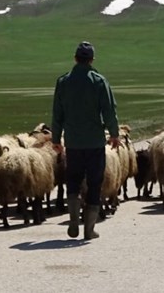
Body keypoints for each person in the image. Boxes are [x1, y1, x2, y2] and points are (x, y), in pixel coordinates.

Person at [51, 41, 121, 240]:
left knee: (72, 181)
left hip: (73, 142)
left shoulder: (63, 81)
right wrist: (114, 134)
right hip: (94, 143)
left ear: (75, 58)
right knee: (94, 183)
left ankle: (73, 220)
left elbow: (57, 113)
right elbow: (109, 111)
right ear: (91, 60)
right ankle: (89, 230)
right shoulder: (99, 81)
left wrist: (56, 138)